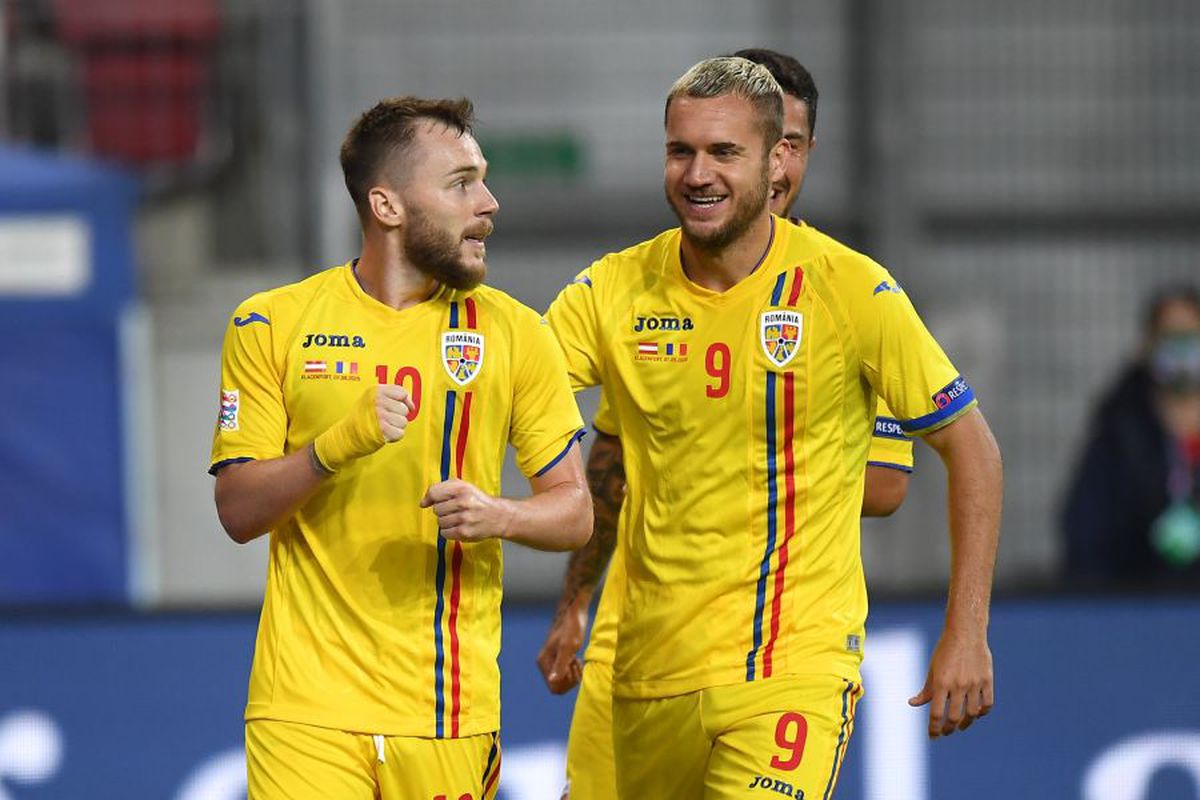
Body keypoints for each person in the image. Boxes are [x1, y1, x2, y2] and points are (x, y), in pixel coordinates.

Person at [544, 57, 1002, 799]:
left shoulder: (850, 289)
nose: (699, 172)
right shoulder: (616, 289)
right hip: (644, 664)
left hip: (792, 666)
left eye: (725, 152)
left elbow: (952, 453)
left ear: (778, 156)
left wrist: (967, 629)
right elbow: (529, 402)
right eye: (681, 150)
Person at [207, 96, 592, 799]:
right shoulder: (271, 323)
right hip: (305, 709)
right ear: (385, 206)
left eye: (483, 179)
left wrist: (499, 515)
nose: (489, 202)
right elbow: (236, 510)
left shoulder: (516, 333)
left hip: (446, 711)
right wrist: (334, 446)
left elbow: (574, 512)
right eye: (461, 183)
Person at [1062, 285, 1200, 587]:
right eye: (1171, 338)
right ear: (1147, 346)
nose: (1182, 351)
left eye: (1190, 338)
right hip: (1139, 605)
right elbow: (1086, 535)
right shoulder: (1120, 433)